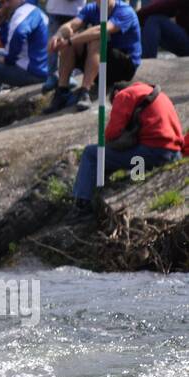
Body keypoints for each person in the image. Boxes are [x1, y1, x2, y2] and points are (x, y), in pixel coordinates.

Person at [68, 80, 186, 218]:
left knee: (91, 153)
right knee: (118, 156)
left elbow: (112, 134)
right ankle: (101, 187)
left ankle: (81, 204)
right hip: (174, 153)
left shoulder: (123, 95)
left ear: (116, 94)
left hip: (152, 153)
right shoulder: (157, 93)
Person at [44, 0, 142, 113]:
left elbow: (101, 30)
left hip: (124, 65)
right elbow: (71, 25)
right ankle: (62, 91)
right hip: (101, 63)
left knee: (95, 38)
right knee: (68, 42)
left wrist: (71, 41)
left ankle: (85, 92)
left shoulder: (125, 10)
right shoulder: (92, 8)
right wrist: (58, 36)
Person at [0, 0, 50, 96]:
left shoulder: (23, 12)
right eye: (3, 2)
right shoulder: (32, 10)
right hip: (37, 68)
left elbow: (20, 33)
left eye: (8, 1)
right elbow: (7, 44)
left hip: (32, 73)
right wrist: (3, 22)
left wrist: (9, 60)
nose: (5, 4)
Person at [43, 1, 85, 92]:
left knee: (72, 44)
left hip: (76, 13)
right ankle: (51, 75)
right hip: (55, 10)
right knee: (53, 44)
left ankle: (69, 76)